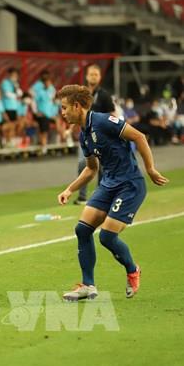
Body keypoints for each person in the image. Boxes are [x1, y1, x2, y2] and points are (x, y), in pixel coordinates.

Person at [56, 85, 168, 301]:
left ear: (77, 106)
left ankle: (133, 269)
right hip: (108, 184)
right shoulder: (84, 134)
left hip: (130, 184)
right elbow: (91, 169)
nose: (62, 112)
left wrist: (150, 169)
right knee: (82, 230)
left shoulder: (103, 121)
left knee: (107, 237)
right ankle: (88, 286)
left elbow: (139, 137)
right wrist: (70, 190)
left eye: (64, 107)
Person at [75, 64, 115, 205]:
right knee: (82, 164)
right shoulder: (81, 94)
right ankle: (82, 196)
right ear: (86, 76)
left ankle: (101, 195)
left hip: (101, 135)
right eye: (91, 74)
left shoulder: (104, 95)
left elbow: (112, 114)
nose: (93, 77)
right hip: (85, 134)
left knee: (102, 167)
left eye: (96, 74)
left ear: (100, 77)